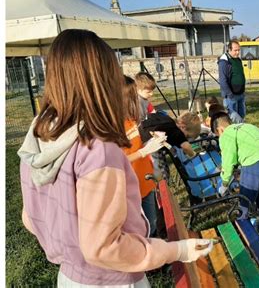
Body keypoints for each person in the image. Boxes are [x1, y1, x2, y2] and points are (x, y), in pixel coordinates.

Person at [17, 29, 213, 287]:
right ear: (102, 80)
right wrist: (176, 251)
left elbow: (30, 218)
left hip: (69, 275)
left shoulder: (40, 134)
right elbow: (104, 248)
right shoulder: (97, 147)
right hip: (114, 279)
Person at [211, 112, 259, 248]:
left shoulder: (227, 134)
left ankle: (245, 238)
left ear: (220, 129)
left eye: (218, 135)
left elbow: (228, 162)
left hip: (254, 166)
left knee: (244, 203)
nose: (219, 138)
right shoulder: (246, 126)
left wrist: (224, 183)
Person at [122, 75, 167, 238]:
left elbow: (138, 140)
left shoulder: (132, 119)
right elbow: (116, 161)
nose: (136, 100)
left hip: (145, 180)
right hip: (130, 188)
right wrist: (144, 152)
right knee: (140, 230)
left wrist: (152, 138)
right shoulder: (111, 128)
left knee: (152, 222)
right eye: (131, 97)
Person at [218, 40, 246, 123]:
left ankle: (241, 132)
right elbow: (223, 81)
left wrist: (243, 91)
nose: (237, 52)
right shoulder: (224, 62)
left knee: (242, 115)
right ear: (229, 50)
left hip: (241, 94)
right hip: (231, 96)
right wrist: (230, 95)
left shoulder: (238, 60)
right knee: (233, 118)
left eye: (239, 50)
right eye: (235, 50)